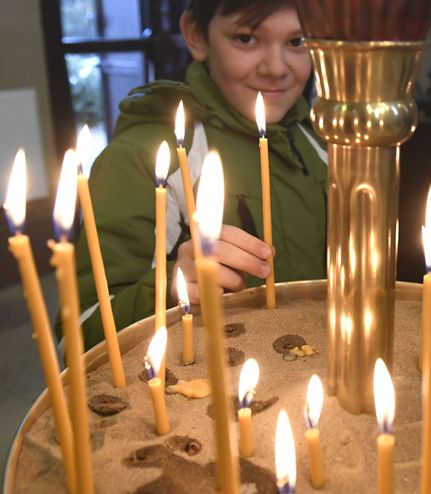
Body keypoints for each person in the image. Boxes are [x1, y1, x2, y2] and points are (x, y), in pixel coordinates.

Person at [69, 0, 328, 350]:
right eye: (247, 38)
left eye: (297, 41)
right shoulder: (141, 159)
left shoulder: (322, 141)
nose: (276, 68)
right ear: (196, 35)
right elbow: (78, 338)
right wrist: (168, 290)